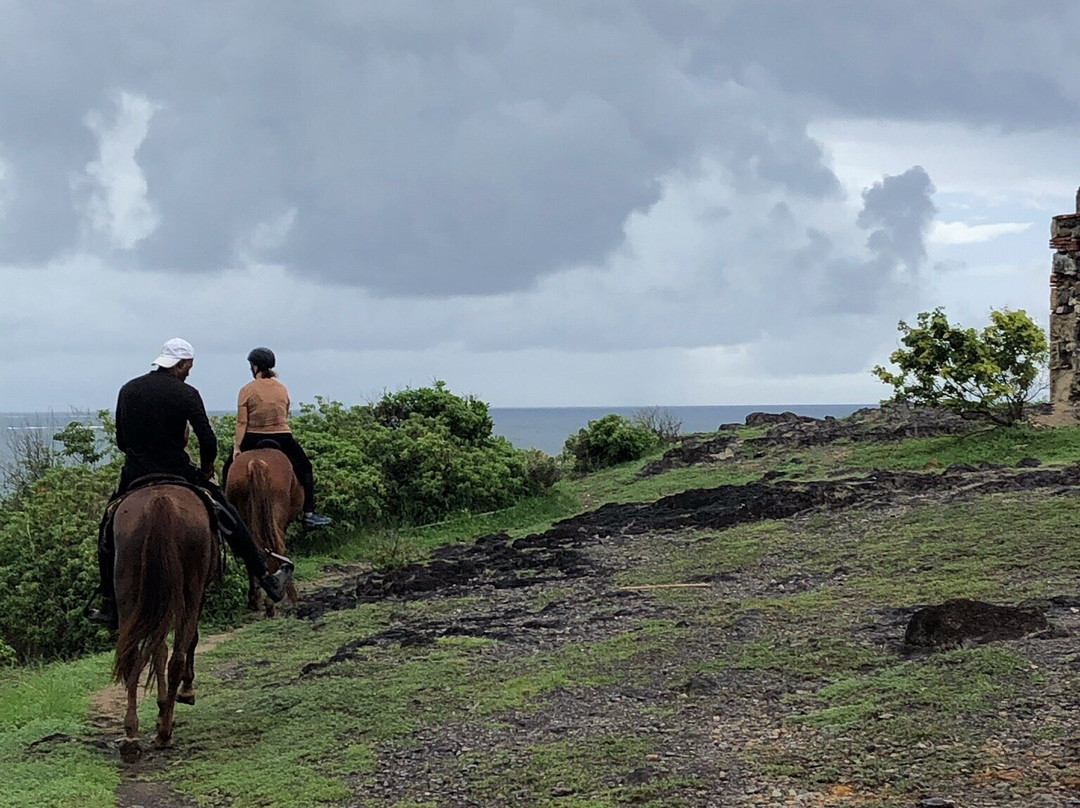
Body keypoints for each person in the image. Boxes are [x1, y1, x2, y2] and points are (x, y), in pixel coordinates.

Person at [85, 338, 294, 629]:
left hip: (136, 473)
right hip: (178, 471)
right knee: (230, 516)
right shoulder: (186, 393)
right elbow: (207, 439)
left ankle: (110, 602)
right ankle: (266, 578)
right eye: (188, 367)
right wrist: (207, 468)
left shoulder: (128, 389)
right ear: (180, 364)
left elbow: (122, 440)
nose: (188, 373)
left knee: (107, 531)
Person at [221, 347, 332, 528]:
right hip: (281, 436)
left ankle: (224, 511)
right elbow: (285, 414)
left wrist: (237, 448)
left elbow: (242, 422)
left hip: (252, 437)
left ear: (255, 366)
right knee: (306, 467)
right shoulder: (282, 389)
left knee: (228, 469)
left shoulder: (246, 390)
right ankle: (309, 513)